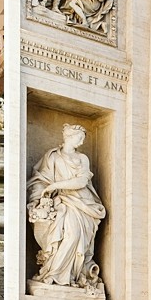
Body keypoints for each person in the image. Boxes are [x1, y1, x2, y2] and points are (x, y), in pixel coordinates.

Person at [26, 123, 106, 288]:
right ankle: (54, 273)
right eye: (79, 138)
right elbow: (41, 180)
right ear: (69, 137)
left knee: (75, 236)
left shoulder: (82, 158)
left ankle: (70, 275)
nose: (81, 142)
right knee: (66, 235)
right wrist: (40, 198)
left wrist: (54, 186)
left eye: (83, 139)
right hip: (62, 202)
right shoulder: (52, 157)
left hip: (82, 203)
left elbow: (82, 181)